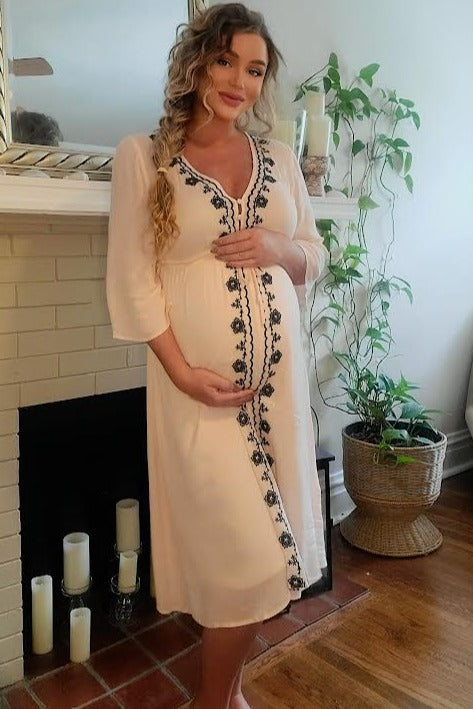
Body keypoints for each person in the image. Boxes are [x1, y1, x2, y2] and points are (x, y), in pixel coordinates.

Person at [106, 4, 327, 707]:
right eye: (227, 60)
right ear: (197, 61)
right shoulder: (143, 157)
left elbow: (314, 257)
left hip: (278, 396)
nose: (240, 81)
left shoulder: (279, 160)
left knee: (269, 563)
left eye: (255, 69)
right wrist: (182, 374)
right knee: (242, 562)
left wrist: (279, 247)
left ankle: (226, 697)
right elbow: (133, 281)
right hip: (197, 396)